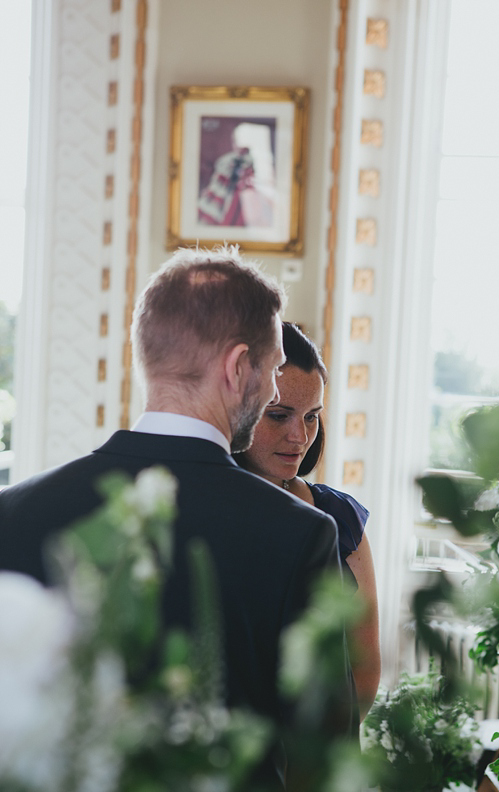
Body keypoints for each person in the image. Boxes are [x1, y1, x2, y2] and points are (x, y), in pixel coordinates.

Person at [0, 248, 347, 732]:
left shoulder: (12, 512)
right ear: (238, 367)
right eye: (272, 370)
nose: (272, 390)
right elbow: (320, 754)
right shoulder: (300, 534)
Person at [237, 322, 381, 719]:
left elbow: (365, 673)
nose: (299, 436)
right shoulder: (213, 508)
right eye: (279, 416)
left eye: (312, 417)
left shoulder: (343, 518)